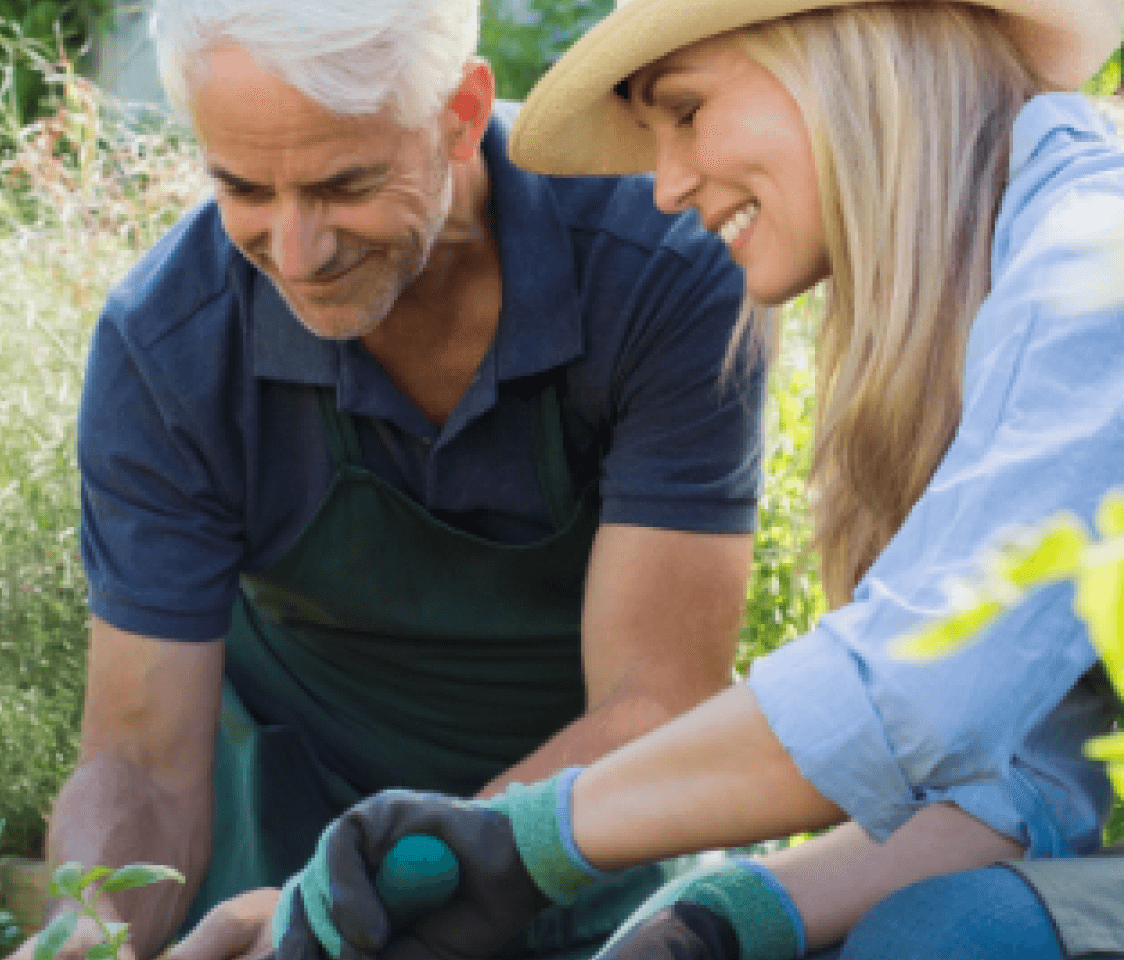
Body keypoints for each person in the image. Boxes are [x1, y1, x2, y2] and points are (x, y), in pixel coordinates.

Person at [255, 1, 1124, 958]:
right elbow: (1024, 794)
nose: (665, 187)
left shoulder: (1096, 267)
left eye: (688, 110)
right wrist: (724, 916)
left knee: (951, 936)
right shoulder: (1005, 291)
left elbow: (911, 694)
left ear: (840, 54)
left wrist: (530, 839)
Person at [7, 0, 771, 958]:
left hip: (601, 841)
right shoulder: (171, 346)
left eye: (344, 184)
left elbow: (655, 701)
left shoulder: (654, 262)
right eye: (243, 189)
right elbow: (143, 766)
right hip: (295, 842)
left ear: (460, 112)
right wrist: (91, 928)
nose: (297, 252)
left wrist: (367, 893)